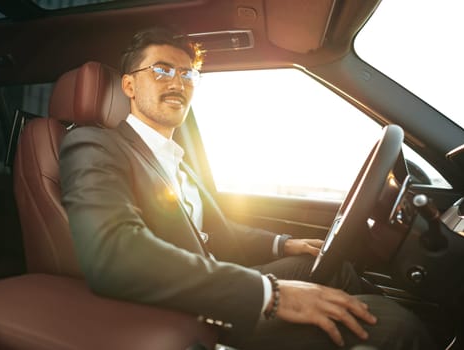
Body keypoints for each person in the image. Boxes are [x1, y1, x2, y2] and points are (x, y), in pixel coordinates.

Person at [59, 27, 436, 349]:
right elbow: (114, 253)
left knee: (330, 269)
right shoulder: (95, 144)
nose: (178, 83)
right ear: (128, 84)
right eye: (162, 69)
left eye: (189, 74)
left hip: (217, 279)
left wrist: (284, 244)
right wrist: (271, 295)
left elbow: (215, 233)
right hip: (188, 307)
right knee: (395, 327)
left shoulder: (175, 160)